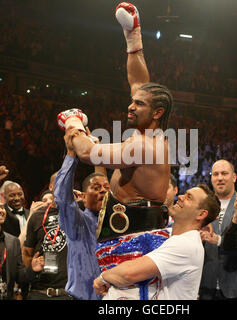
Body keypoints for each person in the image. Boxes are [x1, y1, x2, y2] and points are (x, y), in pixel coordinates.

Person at [61, 2, 173, 299]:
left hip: (135, 238)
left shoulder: (143, 145)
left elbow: (88, 154)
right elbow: (139, 83)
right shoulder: (149, 135)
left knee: (126, 301)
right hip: (127, 231)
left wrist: (74, 125)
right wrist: (133, 39)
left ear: (158, 112)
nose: (130, 105)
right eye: (133, 102)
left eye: (139, 105)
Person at [93, 184, 220, 300]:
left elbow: (129, 273)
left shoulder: (186, 244)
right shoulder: (171, 234)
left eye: (189, 197)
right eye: (184, 194)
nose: (180, 197)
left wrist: (102, 278)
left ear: (201, 214)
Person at [54, 144, 110, 300]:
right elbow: (62, 198)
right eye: (96, 187)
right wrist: (71, 155)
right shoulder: (77, 222)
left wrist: (96, 149)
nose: (103, 190)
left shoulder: (117, 224)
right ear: (84, 197)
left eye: (106, 187)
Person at [200, 160, 237, 300]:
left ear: (234, 177)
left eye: (224, 173)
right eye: (216, 174)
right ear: (211, 178)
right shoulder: (202, 206)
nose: (220, 178)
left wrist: (219, 240)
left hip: (235, 286)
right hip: (206, 284)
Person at [22, 189, 72, 300]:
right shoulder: (37, 216)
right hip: (40, 292)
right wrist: (31, 271)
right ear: (52, 187)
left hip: (67, 293)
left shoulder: (75, 212)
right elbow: (26, 253)